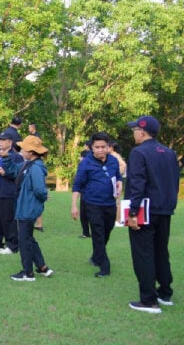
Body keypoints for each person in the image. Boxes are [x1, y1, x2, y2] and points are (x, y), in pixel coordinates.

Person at [125, 116, 179, 313]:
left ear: (142, 132)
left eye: (134, 130)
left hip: (145, 210)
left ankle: (149, 300)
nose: (134, 134)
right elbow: (174, 181)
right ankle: (165, 292)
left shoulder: (138, 152)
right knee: (160, 251)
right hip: (164, 209)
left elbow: (137, 183)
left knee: (143, 254)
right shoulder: (170, 153)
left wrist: (132, 212)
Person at [0, 135, 54, 281]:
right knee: (28, 238)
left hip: (28, 208)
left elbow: (39, 189)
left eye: (23, 148)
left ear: (31, 152)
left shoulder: (35, 168)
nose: (21, 150)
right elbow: (12, 171)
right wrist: (6, 158)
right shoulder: (28, 165)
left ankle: (27, 273)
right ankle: (42, 267)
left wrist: (44, 196)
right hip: (25, 207)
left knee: (24, 241)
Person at [71, 132, 123, 278]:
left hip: (110, 203)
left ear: (108, 147)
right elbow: (77, 185)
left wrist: (119, 184)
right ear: (92, 148)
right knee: (98, 233)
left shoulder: (113, 161)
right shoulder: (85, 163)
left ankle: (96, 256)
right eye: (97, 147)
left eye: (103, 147)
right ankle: (104, 267)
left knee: (107, 231)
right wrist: (74, 205)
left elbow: (118, 177)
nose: (100, 150)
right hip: (92, 204)